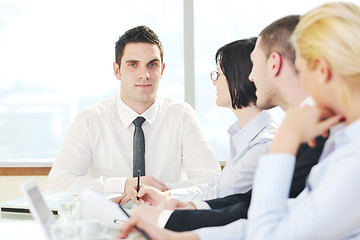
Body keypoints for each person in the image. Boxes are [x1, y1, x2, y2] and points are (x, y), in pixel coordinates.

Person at [119, 2, 360, 239]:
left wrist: (284, 141)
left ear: (321, 70)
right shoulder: (340, 140)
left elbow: (268, 232)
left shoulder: (346, 154)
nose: (252, 77)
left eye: (301, 68)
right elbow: (278, 214)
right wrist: (186, 237)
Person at [46, 26, 221, 195]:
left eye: (152, 64)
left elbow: (211, 179)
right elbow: (58, 183)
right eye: (133, 65)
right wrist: (123, 185)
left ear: (162, 70)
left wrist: (161, 191)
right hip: (108, 219)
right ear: (117, 70)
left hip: (164, 219)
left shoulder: (182, 116)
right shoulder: (89, 120)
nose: (144, 74)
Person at [113, 37, 279, 206]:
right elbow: (215, 186)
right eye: (133, 64)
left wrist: (169, 199)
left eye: (219, 74)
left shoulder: (265, 144)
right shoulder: (244, 137)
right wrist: (166, 196)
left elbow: (222, 194)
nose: (214, 81)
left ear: (241, 77)